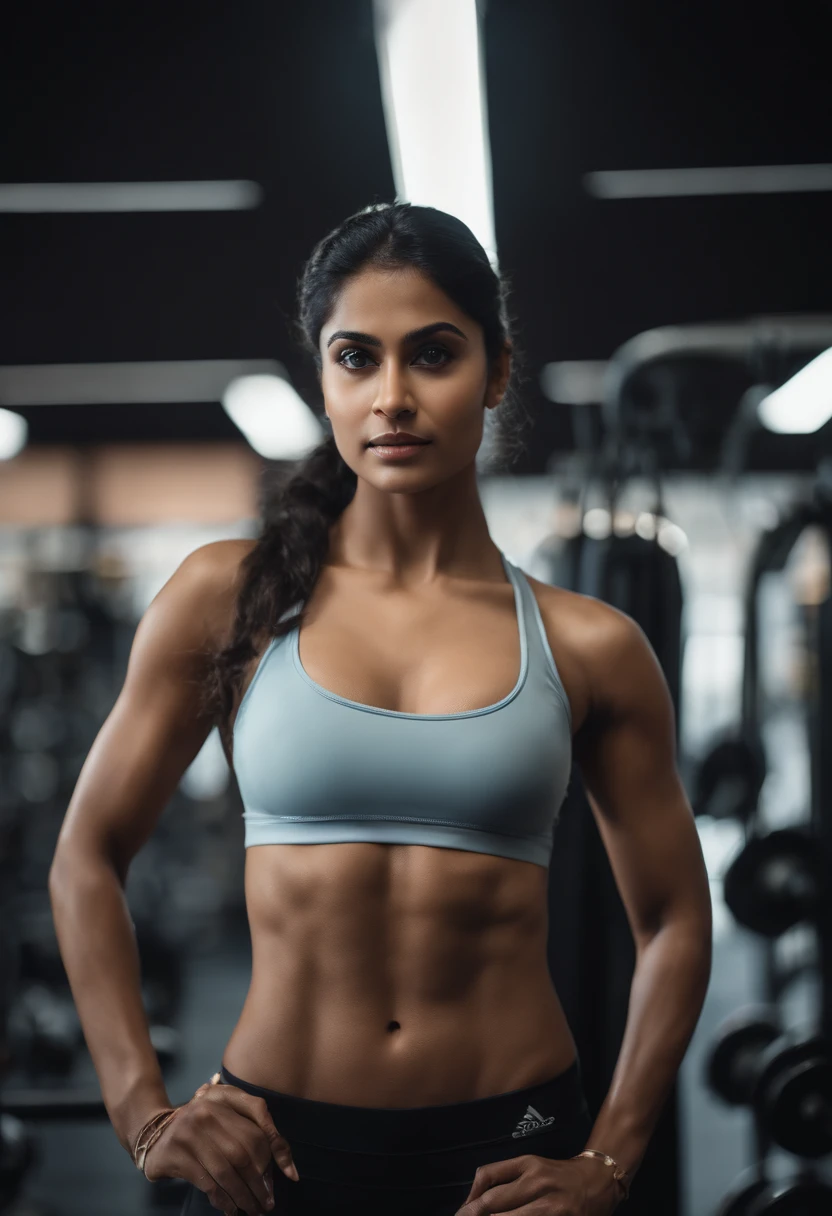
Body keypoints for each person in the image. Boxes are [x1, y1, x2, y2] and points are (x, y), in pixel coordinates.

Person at [49, 202, 712, 1216]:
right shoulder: (231, 596)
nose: (392, 396)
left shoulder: (588, 645)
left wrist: (610, 1157)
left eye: (433, 355)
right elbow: (86, 855)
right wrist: (143, 1107)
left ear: (494, 373)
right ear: (323, 379)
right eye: (356, 358)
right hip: (271, 1151)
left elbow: (670, 917)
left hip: (508, 1146)